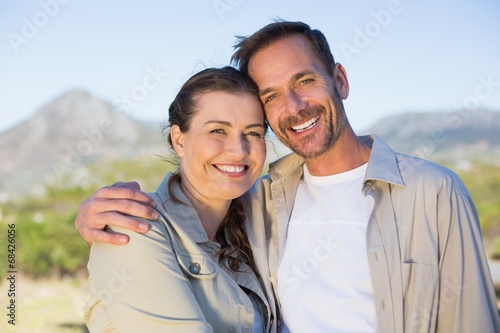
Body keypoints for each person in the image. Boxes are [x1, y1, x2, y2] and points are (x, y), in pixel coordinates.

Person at [76, 21, 500, 332]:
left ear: (340, 79)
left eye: (305, 80)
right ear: (178, 139)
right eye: (272, 95)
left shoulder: (433, 191)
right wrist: (97, 214)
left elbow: (473, 322)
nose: (294, 106)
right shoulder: (263, 200)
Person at [83, 66, 273, 332]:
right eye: (218, 131)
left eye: (253, 133)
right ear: (179, 140)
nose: (239, 149)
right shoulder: (134, 226)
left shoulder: (253, 224)